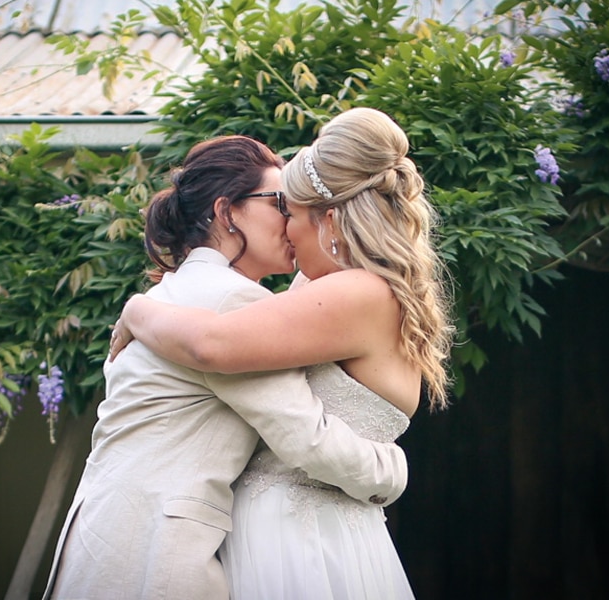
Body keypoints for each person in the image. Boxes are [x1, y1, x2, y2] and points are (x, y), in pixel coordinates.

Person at [42, 134, 410, 600]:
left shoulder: (170, 293)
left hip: (103, 536)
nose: (291, 215)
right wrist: (393, 469)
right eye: (278, 201)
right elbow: (305, 436)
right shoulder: (231, 301)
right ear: (227, 211)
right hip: (157, 554)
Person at [110, 107, 454, 599]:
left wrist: (138, 310)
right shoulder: (375, 292)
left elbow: (212, 344)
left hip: (293, 539)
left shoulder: (354, 293)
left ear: (329, 220)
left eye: (289, 213)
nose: (286, 232)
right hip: (340, 534)